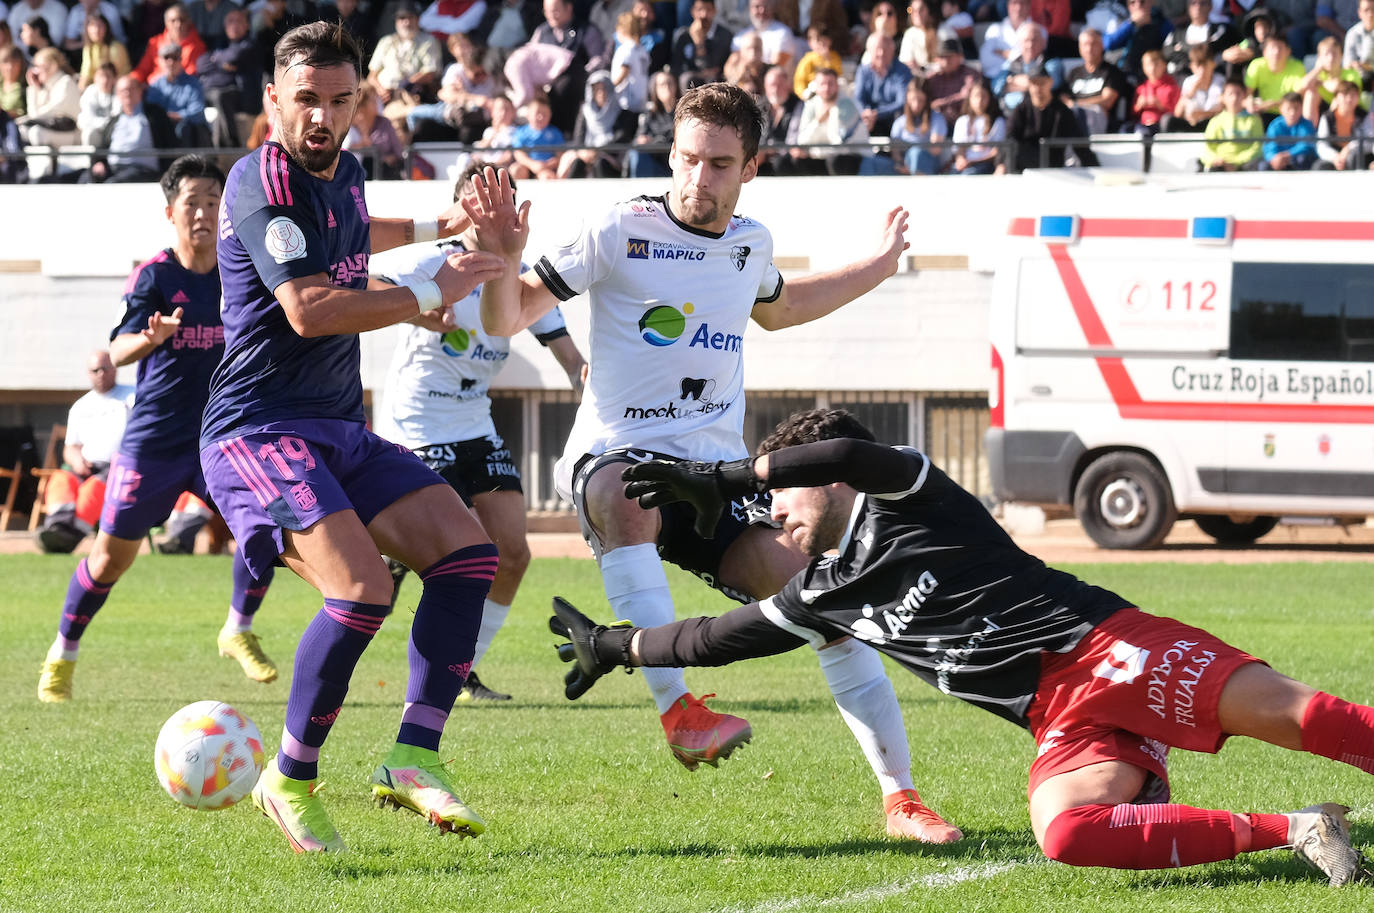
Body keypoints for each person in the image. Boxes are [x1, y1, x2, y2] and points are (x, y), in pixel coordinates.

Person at [550, 407, 1374, 888]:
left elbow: (840, 448)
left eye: (778, 494)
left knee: (1302, 716)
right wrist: (614, 644)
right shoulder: (822, 589)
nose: (770, 516)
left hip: (1108, 647)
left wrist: (732, 476)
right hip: (1060, 721)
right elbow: (713, 638)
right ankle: (1297, 827)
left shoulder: (913, 497)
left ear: (830, 482)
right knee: (1065, 834)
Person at [467, 81, 963, 844]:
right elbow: (509, 316)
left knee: (821, 597)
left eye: (720, 164)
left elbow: (784, 307)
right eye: (690, 159)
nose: (700, 179)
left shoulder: (748, 245)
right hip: (615, 454)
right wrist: (502, 258)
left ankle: (902, 798)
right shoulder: (618, 227)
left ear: (751, 167)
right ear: (671, 153)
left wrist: (879, 264)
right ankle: (679, 713)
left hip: (715, 477)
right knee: (627, 498)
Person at [201, 20, 511, 854]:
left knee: (468, 555)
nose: (322, 117)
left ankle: (411, 756)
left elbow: (352, 278)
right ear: (272, 99)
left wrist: (429, 284)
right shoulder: (256, 180)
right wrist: (420, 294)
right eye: (305, 99)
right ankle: (290, 777)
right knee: (364, 588)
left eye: (341, 101)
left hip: (338, 427)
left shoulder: (350, 174)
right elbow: (308, 310)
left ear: (361, 104)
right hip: (256, 430)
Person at [36, 155, 279, 704]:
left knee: (264, 530)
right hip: (156, 440)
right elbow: (117, 350)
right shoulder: (154, 275)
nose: (204, 213)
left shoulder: (244, 268)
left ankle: (238, 628)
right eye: (192, 202)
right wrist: (152, 338)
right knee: (109, 560)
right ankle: (62, 653)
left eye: (214, 202)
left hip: (224, 436)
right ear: (171, 212)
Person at [373, 163, 587, 703]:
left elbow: (567, 354)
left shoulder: (514, 274)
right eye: (480, 198)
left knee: (512, 554)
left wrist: (589, 385)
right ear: (458, 207)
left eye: (503, 198)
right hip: (417, 421)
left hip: (475, 422)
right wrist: (419, 310)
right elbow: (359, 284)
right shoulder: (430, 259)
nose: (492, 208)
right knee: (465, 548)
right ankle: (389, 576)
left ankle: (462, 671)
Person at [32, 349, 134, 554]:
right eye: (95, 370)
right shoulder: (80, 406)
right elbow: (71, 447)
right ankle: (57, 529)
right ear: (88, 373)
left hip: (119, 466)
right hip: (85, 466)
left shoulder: (133, 396)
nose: (100, 374)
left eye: (105, 368)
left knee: (93, 488)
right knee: (60, 479)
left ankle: (69, 537)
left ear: (114, 369)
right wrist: (77, 461)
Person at [998, 66, 1096, 172]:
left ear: (1050, 83)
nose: (1038, 88)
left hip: (1052, 167)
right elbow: (1009, 138)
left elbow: (1079, 143)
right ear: (1029, 86)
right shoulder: (1021, 110)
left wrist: (1096, 170)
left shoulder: (1063, 112)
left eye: (1042, 83)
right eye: (1034, 83)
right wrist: (1000, 164)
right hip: (1023, 168)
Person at [196, 6, 258, 148]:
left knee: (220, 97)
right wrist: (221, 63)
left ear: (247, 25)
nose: (234, 25)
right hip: (210, 91)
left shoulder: (250, 44)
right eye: (230, 21)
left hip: (241, 95)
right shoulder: (220, 43)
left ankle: (231, 143)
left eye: (238, 21)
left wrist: (214, 59)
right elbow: (200, 64)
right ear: (225, 27)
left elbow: (234, 57)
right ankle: (209, 147)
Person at [1062, 27, 1129, 134]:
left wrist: (1076, 104)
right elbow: (1063, 96)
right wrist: (1071, 105)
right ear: (1079, 47)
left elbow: (1107, 101)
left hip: (1098, 120)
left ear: (1102, 46)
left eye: (1094, 44)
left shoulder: (1112, 72)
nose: (1089, 49)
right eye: (1085, 44)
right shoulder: (1073, 73)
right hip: (1073, 118)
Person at [146, 39, 209, 146]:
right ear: (160, 61)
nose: (171, 62)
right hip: (163, 129)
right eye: (166, 58)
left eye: (175, 58)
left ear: (181, 60)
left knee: (183, 128)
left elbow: (197, 112)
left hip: (188, 131)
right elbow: (150, 110)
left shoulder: (194, 83)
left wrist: (177, 116)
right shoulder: (155, 85)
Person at [855, 32, 913, 136]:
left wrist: (877, 114)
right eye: (877, 49)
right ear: (869, 51)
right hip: (868, 120)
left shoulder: (903, 71)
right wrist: (866, 112)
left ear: (893, 51)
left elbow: (902, 102)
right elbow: (858, 98)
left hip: (894, 120)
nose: (881, 53)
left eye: (885, 49)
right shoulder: (863, 71)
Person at [132, 3, 207, 82]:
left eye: (182, 20)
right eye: (173, 20)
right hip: (153, 89)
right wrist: (132, 81)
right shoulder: (155, 42)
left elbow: (191, 74)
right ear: (166, 23)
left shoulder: (198, 45)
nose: (178, 24)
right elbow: (142, 70)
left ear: (189, 22)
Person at [671, 0, 732, 91]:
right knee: (687, 79)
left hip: (716, 82)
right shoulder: (682, 36)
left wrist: (700, 44)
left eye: (708, 10)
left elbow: (711, 67)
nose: (704, 15)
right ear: (692, 11)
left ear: (715, 11)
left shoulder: (724, 35)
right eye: (699, 10)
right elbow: (676, 67)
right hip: (689, 82)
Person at [1201, 77, 1262, 169]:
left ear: (1244, 96)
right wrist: (1216, 160)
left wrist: (1236, 163)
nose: (1234, 98)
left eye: (1238, 93)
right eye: (1230, 94)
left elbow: (1258, 148)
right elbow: (1208, 149)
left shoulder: (1254, 120)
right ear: (1223, 97)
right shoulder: (1215, 121)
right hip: (1220, 166)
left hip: (1245, 166)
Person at [1244, 34, 1305, 119]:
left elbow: (1297, 96)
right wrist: (1249, 102)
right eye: (1273, 48)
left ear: (1288, 51)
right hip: (1262, 112)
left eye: (1280, 48)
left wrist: (1274, 104)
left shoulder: (1298, 67)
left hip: (1289, 114)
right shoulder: (1256, 65)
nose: (1276, 52)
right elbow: (1247, 93)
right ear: (1264, 52)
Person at [950, 77, 1003, 173]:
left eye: (983, 96)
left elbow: (997, 152)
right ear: (969, 98)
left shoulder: (998, 121)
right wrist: (961, 160)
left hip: (985, 165)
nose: (979, 100)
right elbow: (959, 149)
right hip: (964, 166)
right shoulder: (962, 121)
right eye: (976, 96)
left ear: (990, 98)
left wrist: (973, 162)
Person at [1314, 78, 1370, 167]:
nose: (1349, 99)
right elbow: (1322, 144)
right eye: (1345, 94)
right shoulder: (1327, 117)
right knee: (1320, 166)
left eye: (1353, 95)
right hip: (1334, 157)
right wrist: (1335, 157)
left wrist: (1349, 149)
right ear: (1336, 97)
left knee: (1355, 160)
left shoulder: (1364, 116)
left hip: (1357, 156)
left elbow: (1369, 141)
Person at [924, 35, 979, 124]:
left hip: (964, 120)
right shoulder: (932, 78)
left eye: (949, 57)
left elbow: (966, 96)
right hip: (936, 122)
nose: (946, 61)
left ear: (960, 57)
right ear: (936, 59)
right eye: (942, 57)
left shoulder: (969, 74)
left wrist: (942, 103)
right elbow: (923, 99)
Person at [1173, 41, 1224, 130]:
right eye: (1198, 65)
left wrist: (1201, 114)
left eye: (1205, 65)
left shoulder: (1221, 81)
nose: (1202, 70)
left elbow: (1224, 110)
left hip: (1214, 125)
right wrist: (1192, 91)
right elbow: (1178, 113)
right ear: (1191, 67)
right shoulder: (1189, 82)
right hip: (1192, 125)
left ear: (1213, 64)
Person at [1260, 88, 1317, 167]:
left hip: (1297, 160)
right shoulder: (1275, 125)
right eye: (1288, 108)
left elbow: (1306, 146)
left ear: (1301, 108)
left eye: (1296, 108)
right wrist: (1273, 158)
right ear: (1281, 109)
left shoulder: (1307, 125)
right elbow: (1269, 147)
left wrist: (1288, 155)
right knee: (1264, 166)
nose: (1292, 113)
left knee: (1302, 160)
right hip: (1278, 161)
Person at [1130, 47, 1178, 134]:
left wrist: (1160, 105)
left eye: (1156, 64)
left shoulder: (1172, 87)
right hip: (1142, 125)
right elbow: (1133, 114)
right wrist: (1138, 106)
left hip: (1161, 127)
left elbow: (1177, 113)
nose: (1152, 68)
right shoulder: (1141, 89)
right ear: (1143, 67)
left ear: (1164, 65)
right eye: (1148, 65)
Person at [77, 13, 132, 90]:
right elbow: (85, 73)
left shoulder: (116, 47)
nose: (96, 30)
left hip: (117, 87)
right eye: (92, 26)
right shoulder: (88, 48)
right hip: (97, 86)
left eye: (100, 26)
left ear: (106, 28)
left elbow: (116, 74)